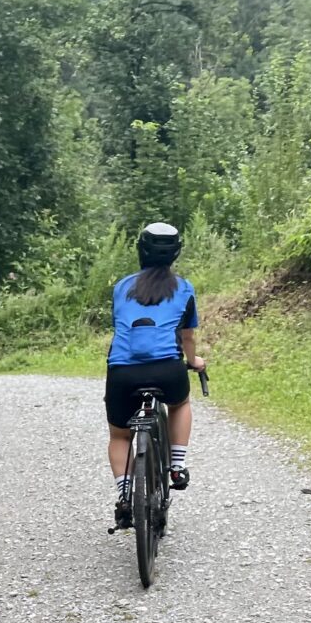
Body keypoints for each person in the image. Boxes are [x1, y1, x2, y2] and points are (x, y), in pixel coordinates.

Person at [105, 222, 207, 526]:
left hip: (122, 371)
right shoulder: (184, 288)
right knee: (180, 403)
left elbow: (122, 325)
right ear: (176, 253)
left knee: (120, 434)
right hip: (168, 369)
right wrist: (194, 361)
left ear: (140, 250)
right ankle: (177, 466)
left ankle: (125, 497)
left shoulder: (122, 287)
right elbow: (187, 337)